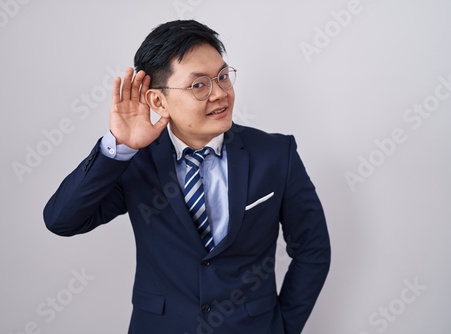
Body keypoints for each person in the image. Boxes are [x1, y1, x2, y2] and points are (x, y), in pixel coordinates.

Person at [44, 19, 330, 334]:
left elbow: (312, 249)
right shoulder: (136, 161)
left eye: (223, 77)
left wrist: (283, 327)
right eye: (199, 85)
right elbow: (61, 220)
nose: (220, 93)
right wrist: (119, 147)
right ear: (157, 100)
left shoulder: (276, 154)